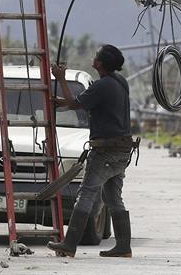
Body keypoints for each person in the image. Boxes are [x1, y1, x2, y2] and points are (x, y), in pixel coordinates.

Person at [48, 45, 134, 259]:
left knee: (86, 194)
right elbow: (84, 103)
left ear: (100, 63)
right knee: (113, 197)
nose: (93, 58)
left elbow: (74, 103)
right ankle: (123, 247)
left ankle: (69, 244)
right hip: (122, 150)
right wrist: (63, 102)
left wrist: (61, 78)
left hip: (105, 151)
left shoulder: (102, 85)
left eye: (96, 56)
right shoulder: (119, 82)